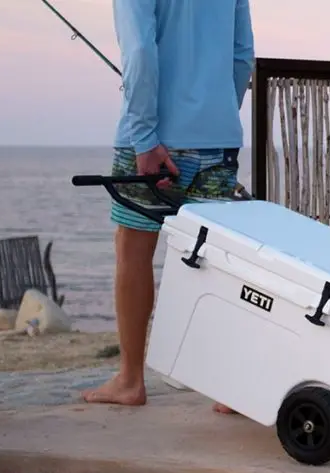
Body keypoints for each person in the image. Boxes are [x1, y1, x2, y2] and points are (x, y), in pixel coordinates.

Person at [81, 0, 255, 412]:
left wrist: (143, 137)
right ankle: (227, 386)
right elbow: (242, 55)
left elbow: (140, 50)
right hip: (218, 139)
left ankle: (129, 380)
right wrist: (215, 114)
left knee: (132, 253)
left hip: (152, 138)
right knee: (218, 263)